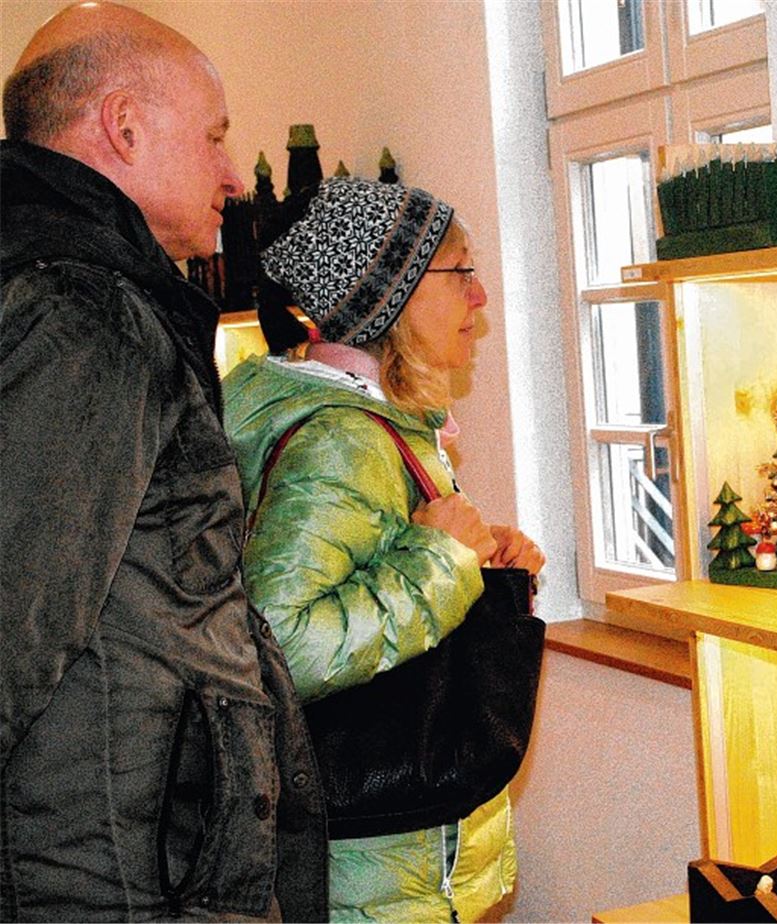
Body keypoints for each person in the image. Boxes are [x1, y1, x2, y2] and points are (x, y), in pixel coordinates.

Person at [0, 4, 327, 921]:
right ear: (124, 124)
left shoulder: (76, 293)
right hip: (113, 879)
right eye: (216, 136)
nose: (232, 176)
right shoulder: (81, 314)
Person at [223, 175, 545, 922]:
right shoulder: (342, 439)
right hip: (374, 874)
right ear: (390, 298)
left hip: (379, 864)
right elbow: (281, 646)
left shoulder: (360, 423)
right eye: (461, 271)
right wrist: (440, 565)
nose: (480, 297)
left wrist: (474, 559)